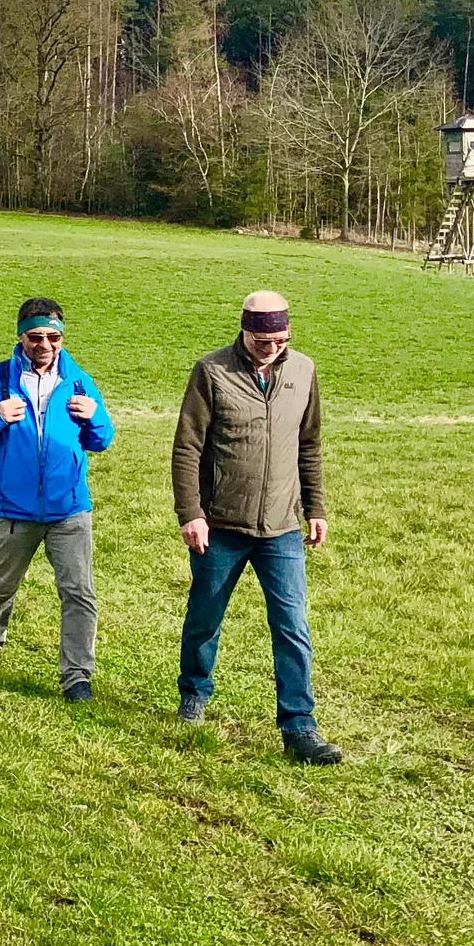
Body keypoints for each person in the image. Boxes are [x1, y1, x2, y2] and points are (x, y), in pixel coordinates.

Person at [172, 291, 341, 764]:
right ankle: (195, 693)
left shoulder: (304, 371)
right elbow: (187, 448)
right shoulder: (212, 371)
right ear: (245, 330)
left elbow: (310, 445)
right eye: (262, 339)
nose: (271, 348)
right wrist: (191, 513)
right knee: (205, 615)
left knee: (292, 625)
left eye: (280, 340)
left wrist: (316, 508)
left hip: (283, 526)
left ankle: (299, 727)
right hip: (220, 525)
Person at [0, 297, 114, 701]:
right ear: (21, 335)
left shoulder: (78, 380)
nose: (45, 344)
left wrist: (94, 415)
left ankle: (77, 675)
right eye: (36, 336)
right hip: (13, 510)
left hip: (68, 509)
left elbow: (103, 439)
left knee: (79, 592)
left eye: (53, 336)